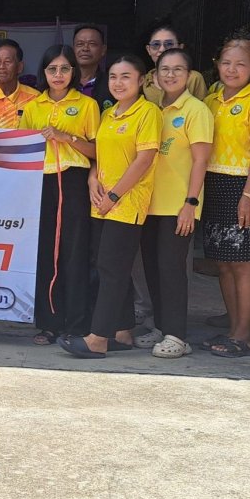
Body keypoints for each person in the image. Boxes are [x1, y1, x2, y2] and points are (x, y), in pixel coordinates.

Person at [59, 55, 160, 359]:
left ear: (141, 80)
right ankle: (122, 331)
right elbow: (100, 156)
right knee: (110, 268)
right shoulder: (110, 114)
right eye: (114, 77)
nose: (118, 83)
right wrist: (93, 181)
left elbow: (144, 160)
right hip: (102, 202)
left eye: (126, 77)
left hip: (127, 203)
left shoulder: (148, 113)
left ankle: (98, 338)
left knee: (112, 270)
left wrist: (114, 196)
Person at [18, 44, 99, 344]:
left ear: (74, 72)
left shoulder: (87, 105)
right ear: (44, 72)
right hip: (42, 182)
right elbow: (21, 149)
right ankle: (49, 323)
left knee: (75, 252)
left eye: (65, 68)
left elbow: (97, 150)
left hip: (75, 181)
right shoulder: (33, 107)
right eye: (52, 69)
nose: (58, 74)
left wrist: (67, 138)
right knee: (44, 254)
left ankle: (76, 324)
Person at [201, 40, 250, 358]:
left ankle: (245, 335)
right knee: (223, 264)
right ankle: (234, 329)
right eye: (226, 63)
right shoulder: (211, 99)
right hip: (214, 184)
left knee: (243, 263)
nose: (232, 70)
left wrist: (249, 195)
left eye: (240, 64)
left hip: (242, 187)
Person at [139, 48, 213, 360]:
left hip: (178, 206)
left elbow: (201, 160)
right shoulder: (151, 109)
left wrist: (190, 203)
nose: (170, 75)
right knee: (153, 269)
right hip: (148, 204)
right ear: (154, 76)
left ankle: (177, 335)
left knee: (171, 270)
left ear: (190, 76)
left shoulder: (196, 110)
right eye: (164, 69)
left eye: (178, 69)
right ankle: (160, 325)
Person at [142, 25, 207, 105]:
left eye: (169, 44)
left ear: (180, 47)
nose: (162, 49)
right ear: (148, 50)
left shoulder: (193, 78)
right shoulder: (143, 82)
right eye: (156, 44)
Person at [73, 25, 114, 112]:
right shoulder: (62, 83)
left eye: (92, 44)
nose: (85, 48)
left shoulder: (112, 84)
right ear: (73, 49)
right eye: (80, 44)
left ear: (103, 50)